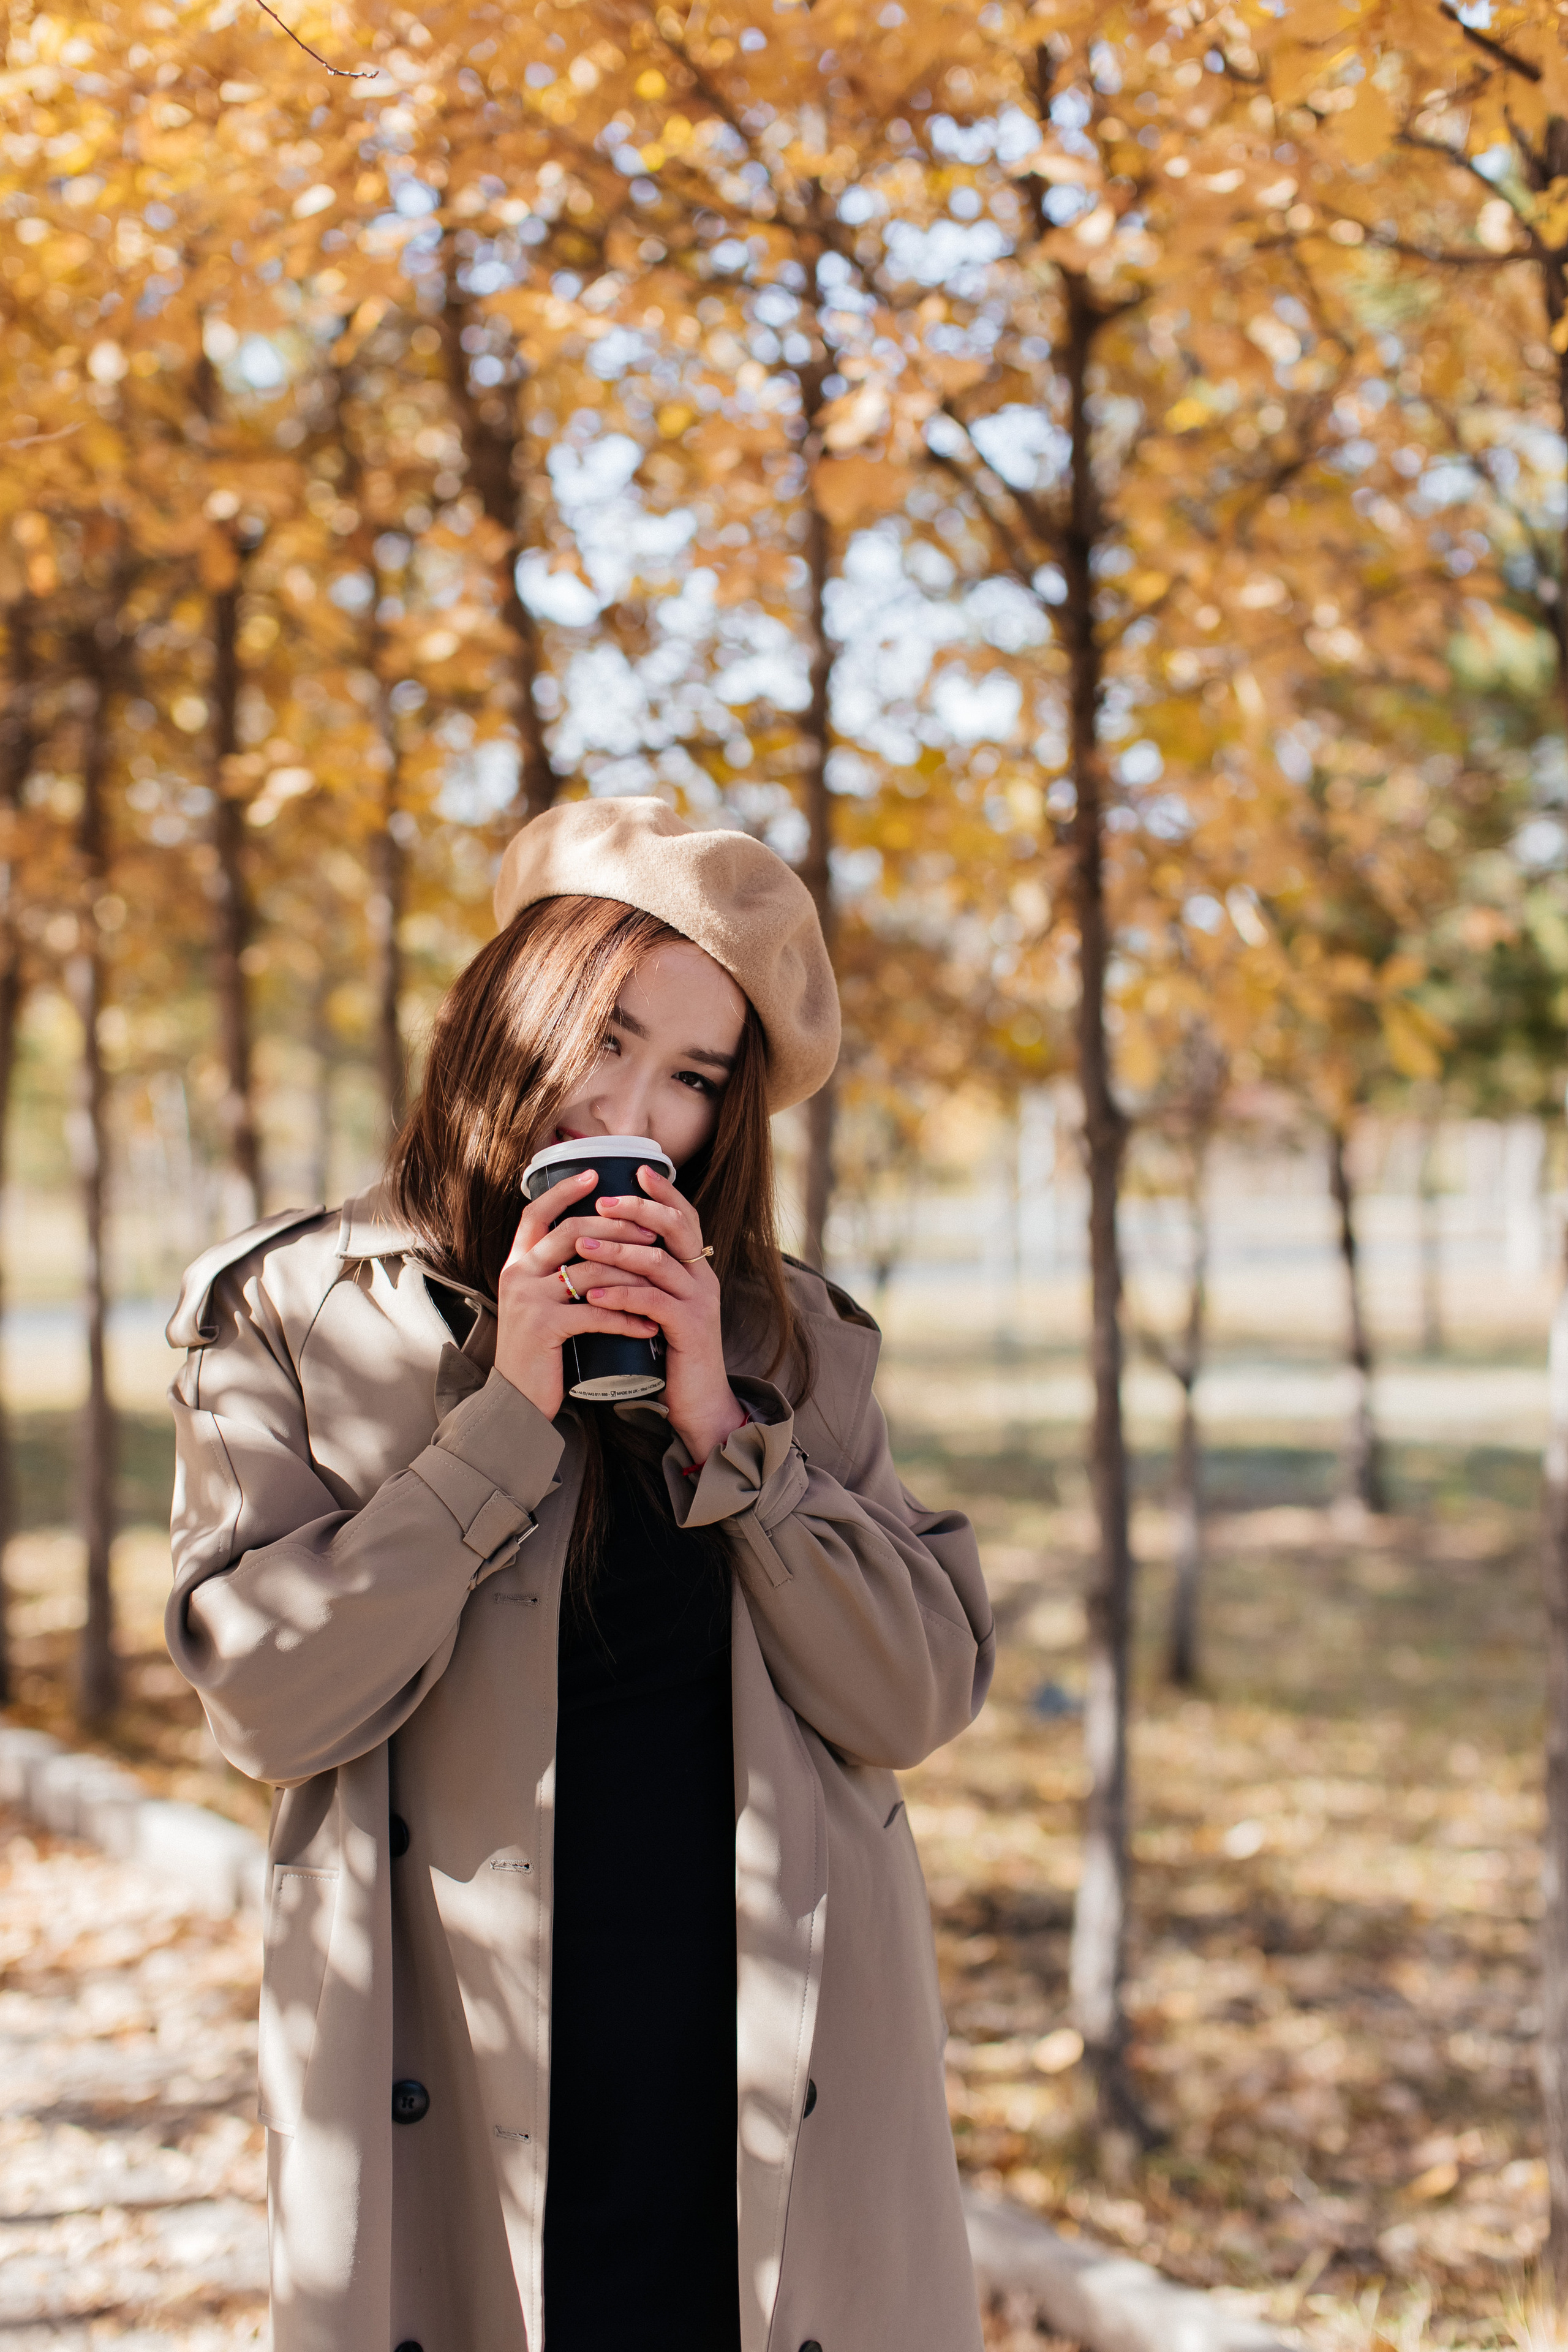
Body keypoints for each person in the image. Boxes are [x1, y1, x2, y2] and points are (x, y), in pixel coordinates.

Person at [165, 796, 995, 2352]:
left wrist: (721, 1423)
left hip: (765, 2104)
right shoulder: (293, 1313)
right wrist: (504, 1419)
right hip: (451, 2092)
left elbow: (914, 1696)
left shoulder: (792, 1340)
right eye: (604, 1039)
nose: (633, 1109)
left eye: (692, 1076)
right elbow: (268, 1709)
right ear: (504, 1015)